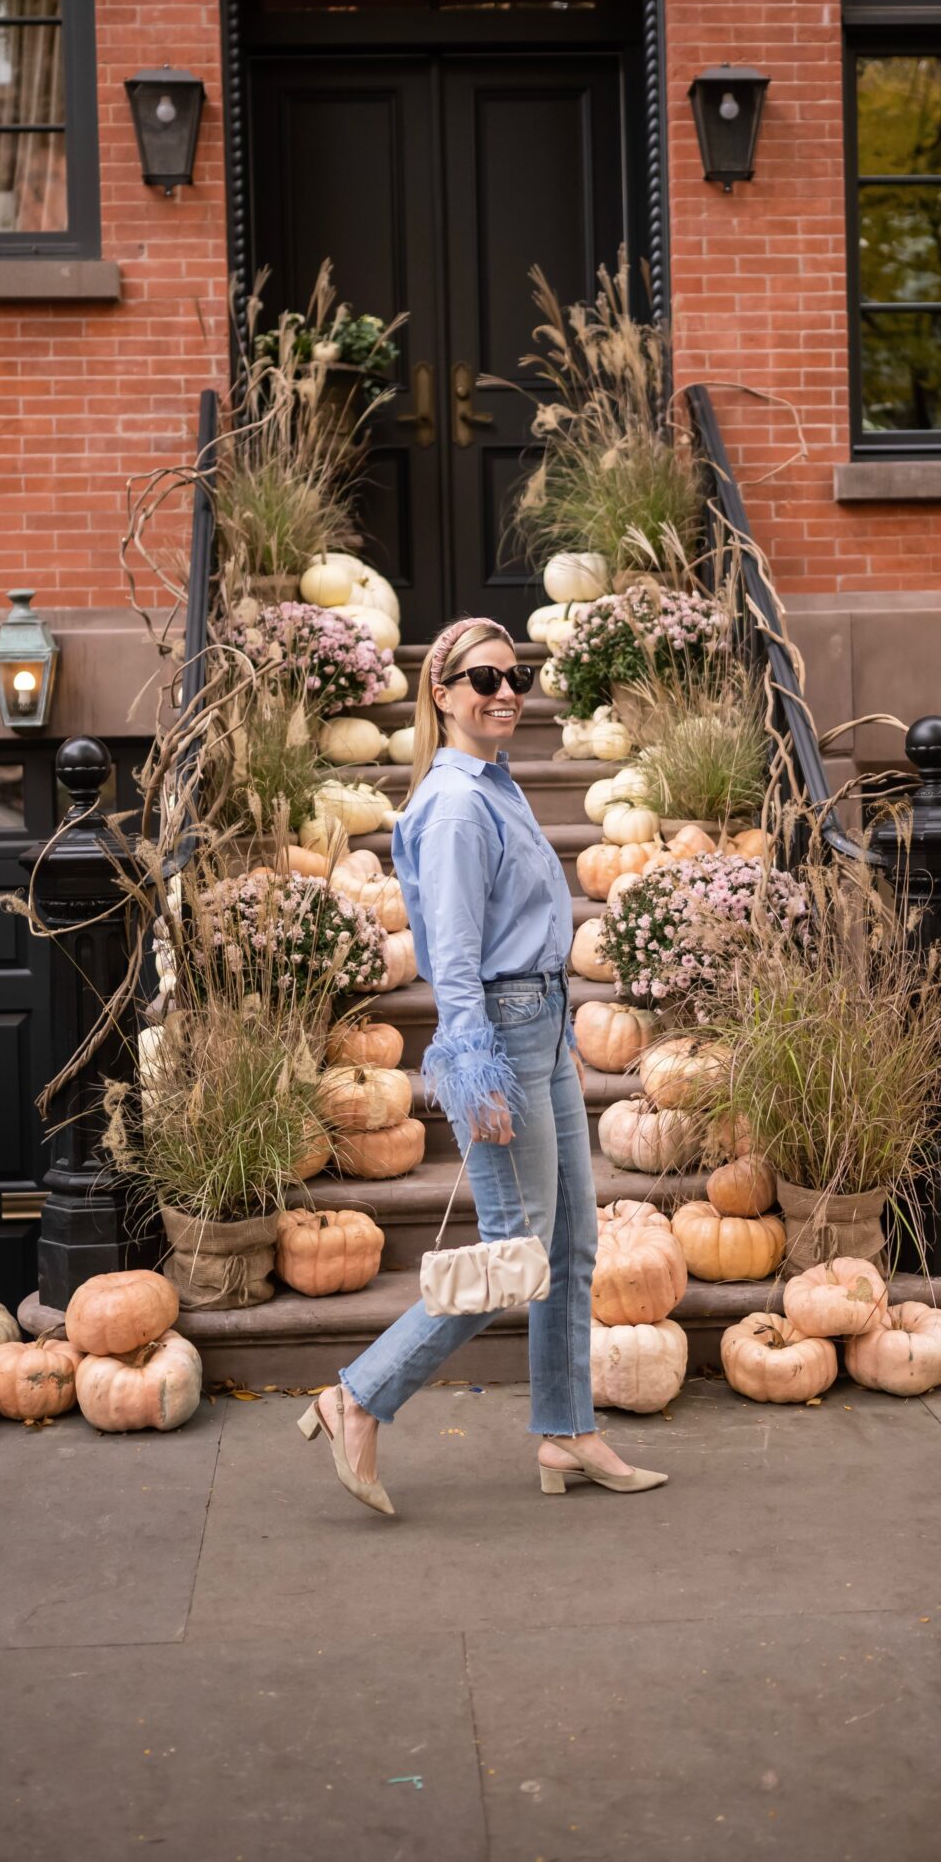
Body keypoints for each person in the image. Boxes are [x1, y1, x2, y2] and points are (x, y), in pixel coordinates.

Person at [297, 615, 668, 1515]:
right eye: (484, 680)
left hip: (539, 1024)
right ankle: (358, 1394)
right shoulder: (456, 804)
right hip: (495, 1033)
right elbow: (455, 959)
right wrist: (476, 1069)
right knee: (516, 1250)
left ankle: (566, 1429)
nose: (505, 693)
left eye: (514, 679)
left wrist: (552, 1039)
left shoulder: (494, 784)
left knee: (571, 1245)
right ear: (443, 692)